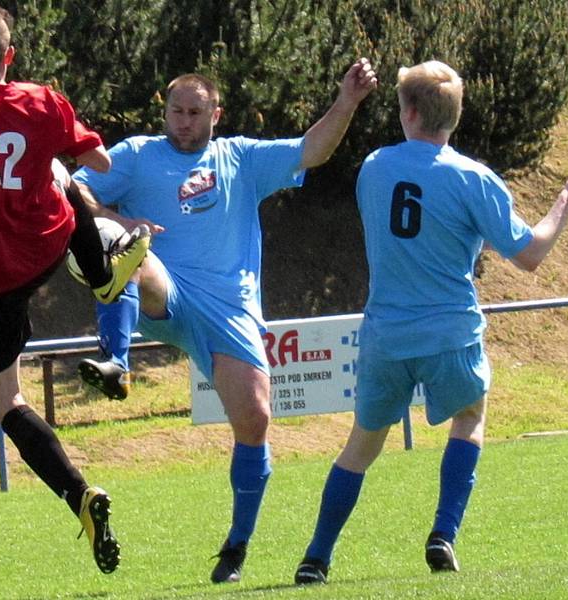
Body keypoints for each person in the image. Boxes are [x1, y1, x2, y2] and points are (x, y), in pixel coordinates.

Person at [292, 60, 568, 585]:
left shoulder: (374, 166)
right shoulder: (473, 179)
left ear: (408, 112)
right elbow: (529, 255)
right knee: (470, 416)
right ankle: (443, 533)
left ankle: (315, 558)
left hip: (386, 334)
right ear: (453, 116)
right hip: (448, 330)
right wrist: (566, 199)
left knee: (361, 447)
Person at [72, 59, 378, 582]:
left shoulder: (240, 157)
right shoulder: (137, 155)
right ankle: (115, 361)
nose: (184, 121)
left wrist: (346, 102)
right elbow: (74, 191)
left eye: (195, 112)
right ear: (164, 111)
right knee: (123, 249)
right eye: (176, 111)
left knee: (255, 420)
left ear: (217, 113)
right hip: (163, 285)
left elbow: (312, 150)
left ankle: (235, 548)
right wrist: (122, 219)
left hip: (228, 309)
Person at [0, 5, 150, 575]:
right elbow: (100, 158)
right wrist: (49, 155)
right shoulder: (43, 99)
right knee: (66, 178)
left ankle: (79, 496)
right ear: (10, 57)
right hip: (47, 243)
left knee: (4, 402)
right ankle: (100, 274)